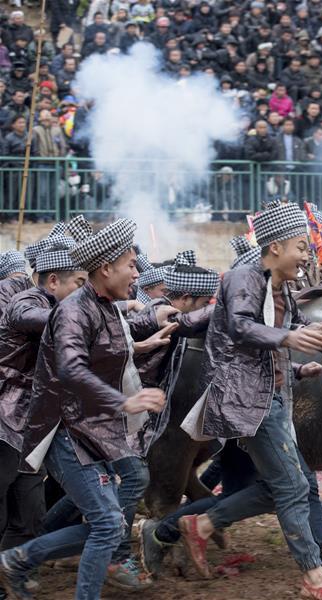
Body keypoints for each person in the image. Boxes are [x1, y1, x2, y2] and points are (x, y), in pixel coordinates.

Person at [177, 201, 322, 600]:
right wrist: (290, 339)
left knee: (287, 484)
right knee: (294, 485)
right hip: (248, 401)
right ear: (276, 246)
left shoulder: (281, 286)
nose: (306, 256)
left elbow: (290, 326)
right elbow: (242, 327)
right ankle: (315, 578)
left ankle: (203, 526)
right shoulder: (244, 277)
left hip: (273, 396)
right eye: (300, 246)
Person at [0, 216, 174, 600]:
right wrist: (124, 400)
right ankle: (21, 559)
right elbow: (71, 368)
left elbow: (125, 341)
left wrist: (157, 317)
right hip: (65, 428)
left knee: (110, 520)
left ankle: (18, 558)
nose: (136, 273)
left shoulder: (106, 306)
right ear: (106, 268)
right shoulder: (74, 311)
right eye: (130, 264)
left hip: (95, 427)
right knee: (107, 522)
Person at [0, 234, 86, 572]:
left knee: (30, 515)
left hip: (32, 427)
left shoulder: (57, 307)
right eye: (80, 283)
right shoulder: (26, 302)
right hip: (4, 421)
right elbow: (30, 317)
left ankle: (9, 577)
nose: (85, 293)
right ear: (52, 281)